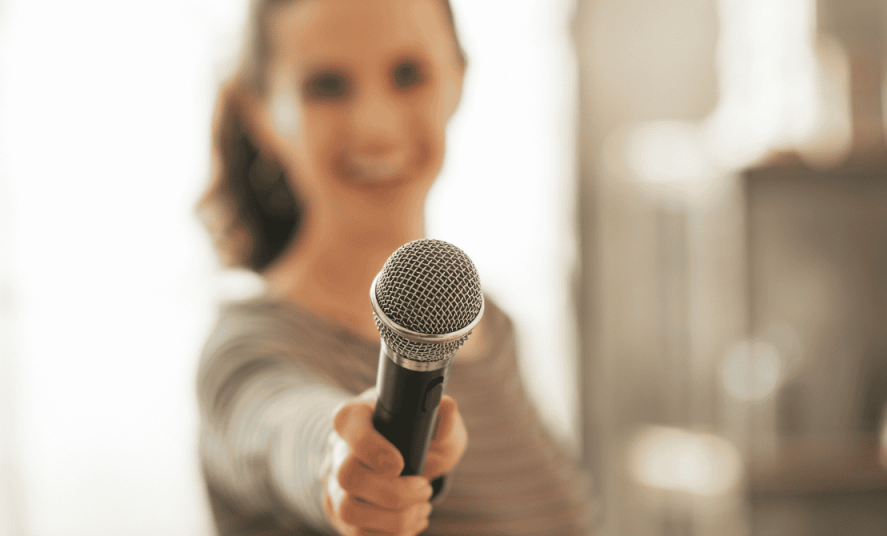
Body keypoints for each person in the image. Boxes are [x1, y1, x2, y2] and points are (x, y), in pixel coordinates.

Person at [195, 0, 595, 534]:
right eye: (327, 87)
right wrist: (341, 462)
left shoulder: (489, 325)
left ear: (458, 80)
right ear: (261, 113)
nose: (375, 126)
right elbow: (280, 428)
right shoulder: (248, 349)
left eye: (409, 75)